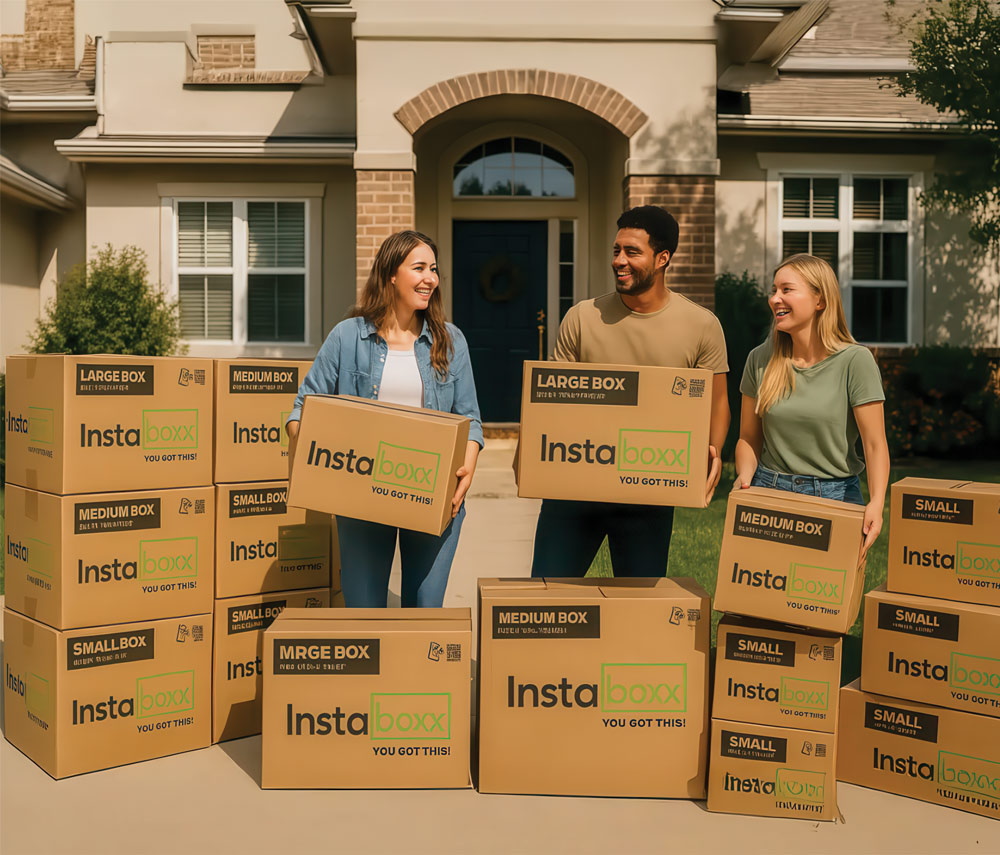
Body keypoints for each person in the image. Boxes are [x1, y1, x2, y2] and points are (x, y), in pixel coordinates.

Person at [528, 205, 731, 578]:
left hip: (648, 492)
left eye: (632, 252)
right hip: (575, 488)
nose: (619, 260)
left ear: (663, 258)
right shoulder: (582, 317)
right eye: (616, 250)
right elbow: (550, 404)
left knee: (639, 610)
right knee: (546, 595)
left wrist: (711, 454)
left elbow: (717, 404)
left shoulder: (701, 326)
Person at [285, 230, 483, 607]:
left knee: (424, 610)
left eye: (434, 269)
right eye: (419, 268)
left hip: (432, 489)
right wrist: (319, 451)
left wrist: (467, 472)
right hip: (362, 493)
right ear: (391, 274)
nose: (431, 279)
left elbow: (470, 419)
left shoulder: (450, 341)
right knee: (364, 611)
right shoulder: (348, 337)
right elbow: (302, 409)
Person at [735, 253, 889, 555]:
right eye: (773, 290)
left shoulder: (855, 361)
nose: (775, 299)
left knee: (823, 600)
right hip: (769, 491)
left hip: (836, 496)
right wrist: (744, 479)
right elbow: (748, 438)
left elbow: (874, 444)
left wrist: (877, 503)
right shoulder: (760, 359)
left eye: (786, 290)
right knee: (760, 595)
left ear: (820, 300)